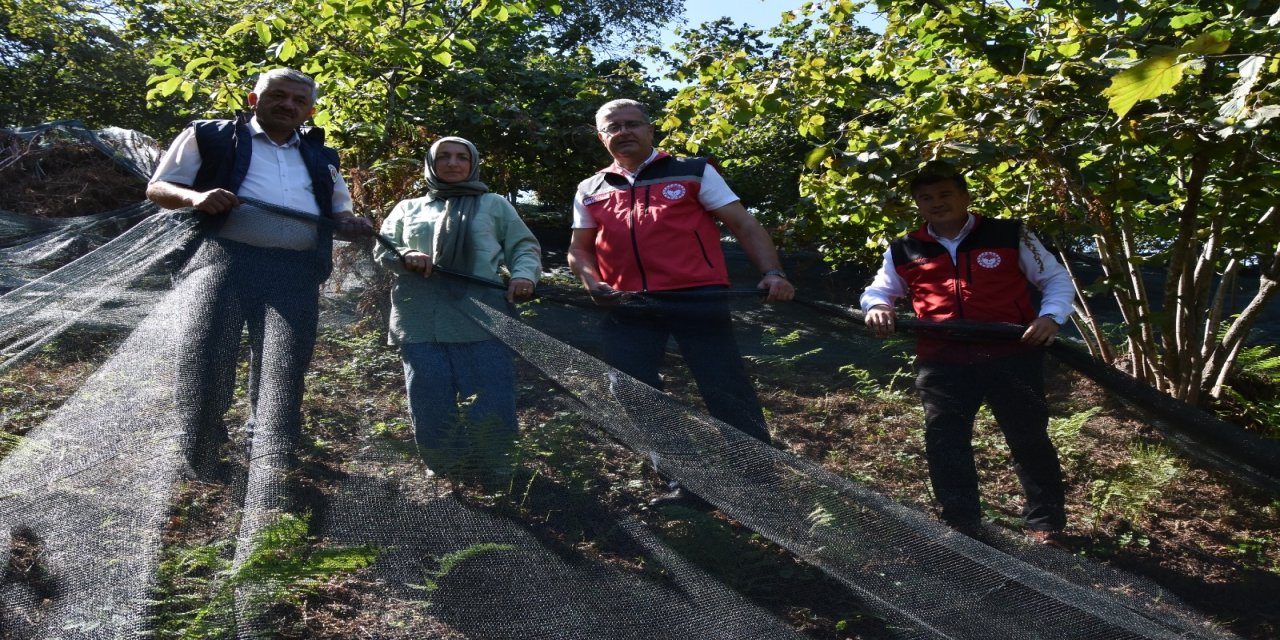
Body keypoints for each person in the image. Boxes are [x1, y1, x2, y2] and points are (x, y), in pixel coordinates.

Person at [567, 98, 795, 507]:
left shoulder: (693, 171)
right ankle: (688, 483)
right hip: (627, 303)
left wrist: (773, 272)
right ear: (601, 137)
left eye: (633, 123)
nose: (624, 132)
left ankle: (761, 485)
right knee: (631, 389)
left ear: (650, 130)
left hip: (698, 296)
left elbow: (743, 224)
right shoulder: (591, 188)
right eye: (613, 127)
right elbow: (579, 249)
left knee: (724, 386)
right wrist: (592, 282)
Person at [147, 68, 373, 477]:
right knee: (209, 356)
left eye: (299, 101)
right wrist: (196, 197)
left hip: (295, 271)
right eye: (278, 95)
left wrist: (351, 224)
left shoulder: (321, 155)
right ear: (254, 100)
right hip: (223, 262)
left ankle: (268, 450)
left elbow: (338, 212)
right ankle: (201, 452)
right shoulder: (210, 135)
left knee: (285, 362)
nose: (288, 105)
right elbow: (159, 188)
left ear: (310, 111)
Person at [859, 160, 1073, 544]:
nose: (937, 203)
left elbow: (1055, 278)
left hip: (1012, 355)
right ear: (918, 204)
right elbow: (879, 290)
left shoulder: (1009, 234)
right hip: (943, 361)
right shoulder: (905, 248)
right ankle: (962, 524)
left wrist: (1051, 317)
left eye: (945, 194)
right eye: (926, 198)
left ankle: (1046, 525)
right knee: (945, 440)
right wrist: (877, 306)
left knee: (1028, 437)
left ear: (964, 196)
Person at [373, 136, 541, 480]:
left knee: (490, 392)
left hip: (481, 315)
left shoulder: (494, 204)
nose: (452, 163)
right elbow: (384, 248)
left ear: (472, 163)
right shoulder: (408, 208)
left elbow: (523, 246)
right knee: (428, 394)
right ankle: (444, 464)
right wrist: (405, 254)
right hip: (419, 316)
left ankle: (496, 464)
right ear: (431, 164)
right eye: (444, 157)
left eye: (461, 157)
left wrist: (524, 275)